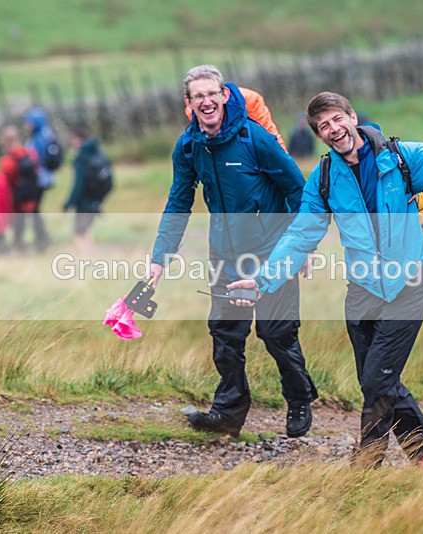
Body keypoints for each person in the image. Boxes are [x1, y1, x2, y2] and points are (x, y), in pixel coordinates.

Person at [228, 91, 423, 468]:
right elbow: (300, 236)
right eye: (323, 126)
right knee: (378, 381)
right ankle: (422, 449)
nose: (333, 129)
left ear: (352, 116)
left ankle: (365, 469)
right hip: (361, 294)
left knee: (377, 383)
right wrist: (263, 281)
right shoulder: (324, 178)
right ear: (319, 134)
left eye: (336, 119)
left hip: (407, 286)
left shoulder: (400, 159)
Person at [148, 65, 318, 438]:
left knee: (277, 333)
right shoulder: (189, 147)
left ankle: (300, 397)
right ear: (189, 104)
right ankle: (228, 413)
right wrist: (161, 257)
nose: (207, 101)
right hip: (225, 255)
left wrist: (302, 247)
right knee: (225, 334)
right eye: (198, 97)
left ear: (225, 95)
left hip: (273, 253)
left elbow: (298, 190)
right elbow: (178, 201)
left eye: (213, 94)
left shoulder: (256, 140)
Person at [64, 126, 111, 253]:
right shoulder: (98, 152)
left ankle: (85, 260)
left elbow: (78, 184)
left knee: (78, 232)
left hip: (84, 201)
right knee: (86, 229)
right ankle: (92, 255)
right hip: (96, 200)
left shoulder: (81, 158)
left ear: (77, 139)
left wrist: (68, 203)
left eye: (72, 139)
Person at [0, 125, 43, 252]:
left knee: (19, 223)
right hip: (32, 192)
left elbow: (6, 178)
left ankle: (20, 246)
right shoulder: (30, 153)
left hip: (17, 195)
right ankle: (42, 242)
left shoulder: (7, 160)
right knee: (35, 217)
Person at [22, 107, 57, 251]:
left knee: (33, 209)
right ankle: (41, 238)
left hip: (38, 180)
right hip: (44, 179)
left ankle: (42, 239)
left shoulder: (39, 139)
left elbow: (35, 160)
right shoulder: (47, 135)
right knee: (34, 209)